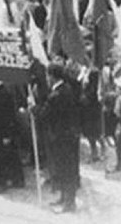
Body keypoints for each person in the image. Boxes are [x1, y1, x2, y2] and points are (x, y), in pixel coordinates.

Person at [36, 62, 81, 213]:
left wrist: (33, 108)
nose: (47, 79)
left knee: (66, 169)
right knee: (63, 169)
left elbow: (45, 114)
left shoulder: (57, 95)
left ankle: (69, 203)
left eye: (48, 76)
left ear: (53, 77)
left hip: (61, 137)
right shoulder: (65, 89)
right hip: (66, 136)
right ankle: (64, 198)